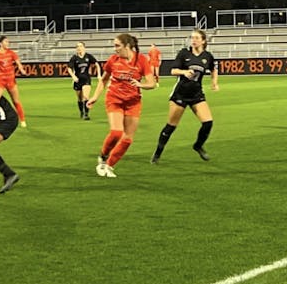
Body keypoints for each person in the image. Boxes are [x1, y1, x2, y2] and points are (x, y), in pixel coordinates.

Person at [87, 33, 156, 178]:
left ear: (128, 46)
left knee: (128, 139)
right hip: (115, 99)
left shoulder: (142, 60)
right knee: (116, 132)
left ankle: (109, 165)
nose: (115, 49)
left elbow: (152, 83)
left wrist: (140, 84)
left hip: (133, 102)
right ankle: (103, 157)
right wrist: (95, 97)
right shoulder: (113, 60)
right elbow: (104, 80)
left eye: (117, 45)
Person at [151, 28, 219, 163]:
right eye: (192, 38)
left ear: (203, 41)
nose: (193, 40)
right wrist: (184, 72)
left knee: (208, 123)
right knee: (171, 126)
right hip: (180, 94)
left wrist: (214, 83)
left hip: (196, 94)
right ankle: (157, 153)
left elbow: (213, 69)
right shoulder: (184, 53)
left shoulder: (207, 56)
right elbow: (173, 71)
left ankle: (198, 146)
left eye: (197, 38)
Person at [0, 35, 28, 127]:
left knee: (16, 101)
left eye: (8, 42)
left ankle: (22, 120)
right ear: (0, 43)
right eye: (6, 42)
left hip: (11, 80)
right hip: (0, 81)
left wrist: (22, 69)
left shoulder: (11, 53)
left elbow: (18, 63)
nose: (8, 43)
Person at [68, 42, 100, 120]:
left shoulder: (88, 56)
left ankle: (86, 114)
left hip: (86, 79)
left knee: (86, 97)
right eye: (77, 46)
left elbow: (97, 64)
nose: (79, 48)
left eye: (81, 46)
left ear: (84, 47)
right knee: (80, 98)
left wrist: (99, 74)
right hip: (78, 80)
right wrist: (73, 76)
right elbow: (69, 68)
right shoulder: (74, 58)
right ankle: (81, 112)